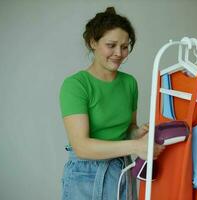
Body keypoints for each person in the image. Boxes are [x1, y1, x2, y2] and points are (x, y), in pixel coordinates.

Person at [59, 7, 165, 200]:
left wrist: (138, 133)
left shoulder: (129, 83)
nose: (119, 53)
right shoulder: (76, 85)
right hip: (86, 175)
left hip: (122, 170)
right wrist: (136, 146)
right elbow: (81, 146)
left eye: (125, 47)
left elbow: (128, 129)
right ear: (93, 42)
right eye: (111, 45)